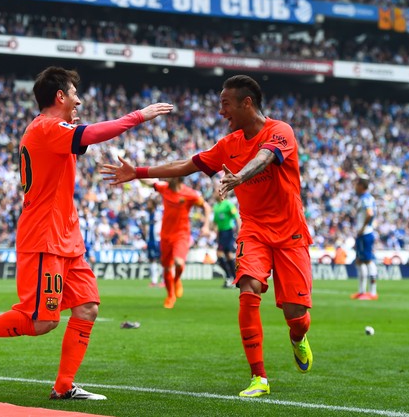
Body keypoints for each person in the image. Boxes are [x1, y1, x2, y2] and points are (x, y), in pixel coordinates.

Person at [0, 66, 172, 400]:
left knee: (87, 307)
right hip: (44, 237)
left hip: (67, 234)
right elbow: (90, 135)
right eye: (74, 93)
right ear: (60, 96)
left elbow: (82, 137)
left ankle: (64, 386)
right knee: (41, 322)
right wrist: (138, 116)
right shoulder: (46, 127)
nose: (79, 100)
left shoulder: (55, 128)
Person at [101, 75, 313, 398]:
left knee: (296, 317)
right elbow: (186, 165)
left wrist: (239, 176)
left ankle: (297, 338)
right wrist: (139, 172)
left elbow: (266, 157)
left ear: (247, 103)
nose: (220, 112)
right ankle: (259, 378)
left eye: (225, 104)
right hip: (253, 229)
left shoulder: (280, 132)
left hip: (290, 232)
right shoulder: (228, 146)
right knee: (247, 288)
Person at [140, 178, 211, 308]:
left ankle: (177, 280)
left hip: (181, 235)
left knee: (179, 262)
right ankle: (170, 295)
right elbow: (149, 182)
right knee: (166, 267)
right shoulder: (164, 188)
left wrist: (206, 226)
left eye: (170, 175)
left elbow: (206, 206)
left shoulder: (189, 194)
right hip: (165, 235)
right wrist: (134, 172)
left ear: (178, 178)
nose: (167, 177)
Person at [351, 175, 378, 300]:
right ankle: (362, 292)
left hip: (365, 233)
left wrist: (362, 228)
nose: (355, 187)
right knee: (359, 261)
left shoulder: (366, 198)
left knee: (368, 260)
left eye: (357, 185)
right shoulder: (366, 198)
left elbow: (370, 213)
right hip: (363, 233)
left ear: (361, 186)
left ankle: (372, 292)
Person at [212, 187, 241, 288]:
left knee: (225, 255)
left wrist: (238, 230)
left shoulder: (228, 204)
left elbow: (236, 218)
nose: (214, 194)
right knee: (223, 256)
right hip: (221, 233)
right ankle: (232, 277)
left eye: (215, 192)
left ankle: (231, 277)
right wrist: (214, 230)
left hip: (228, 231)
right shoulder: (216, 206)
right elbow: (215, 222)